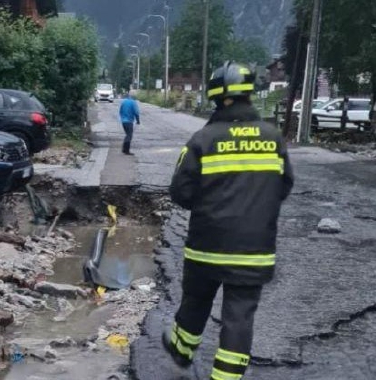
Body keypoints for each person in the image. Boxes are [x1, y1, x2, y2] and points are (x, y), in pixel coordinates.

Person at [163, 61, 294, 380]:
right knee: (239, 318)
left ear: (215, 97)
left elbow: (180, 191)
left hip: (206, 245)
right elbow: (284, 184)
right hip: (254, 250)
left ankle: (181, 349)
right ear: (250, 95)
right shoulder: (273, 137)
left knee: (195, 301)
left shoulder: (202, 139)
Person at [119, 91, 140, 155]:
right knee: (129, 135)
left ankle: (124, 149)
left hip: (123, 121)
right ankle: (126, 150)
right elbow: (136, 112)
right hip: (129, 121)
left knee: (127, 134)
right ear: (134, 96)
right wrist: (138, 120)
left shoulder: (124, 102)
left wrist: (122, 117)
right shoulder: (133, 103)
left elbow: (120, 111)